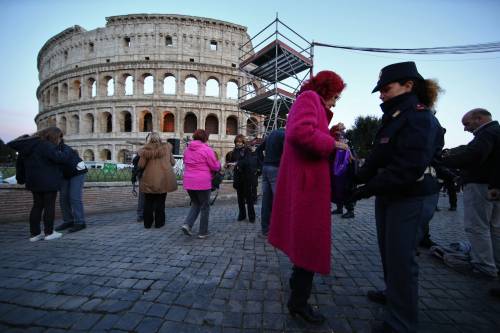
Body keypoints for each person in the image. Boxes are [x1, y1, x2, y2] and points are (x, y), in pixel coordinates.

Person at [352, 62, 443, 333]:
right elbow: (379, 156)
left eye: (385, 88)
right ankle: (394, 293)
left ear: (408, 85)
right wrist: (355, 179)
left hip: (412, 194)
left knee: (402, 259)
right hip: (392, 193)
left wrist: (365, 189)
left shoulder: (420, 117)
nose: (380, 95)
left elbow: (408, 166)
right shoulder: (395, 116)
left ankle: (401, 323)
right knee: (389, 252)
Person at [268, 70, 348, 324]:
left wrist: (330, 133)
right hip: (307, 186)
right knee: (310, 241)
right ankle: (298, 302)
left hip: (307, 183)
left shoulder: (310, 100)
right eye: (335, 96)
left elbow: (310, 131)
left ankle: (297, 286)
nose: (335, 102)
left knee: (306, 240)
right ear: (326, 90)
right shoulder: (310, 98)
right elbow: (300, 133)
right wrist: (332, 144)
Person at [441, 108, 500, 278]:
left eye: (467, 124)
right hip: (493, 185)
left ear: (479, 119)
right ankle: (495, 262)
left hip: (480, 184)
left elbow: (474, 155)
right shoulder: (496, 132)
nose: (465, 129)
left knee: (477, 226)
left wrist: (445, 160)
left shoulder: (486, 134)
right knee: (495, 228)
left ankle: (484, 266)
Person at [8, 127, 72, 241]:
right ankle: (49, 233)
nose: (59, 140)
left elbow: (20, 165)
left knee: (37, 206)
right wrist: (66, 150)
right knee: (49, 206)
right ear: (52, 135)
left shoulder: (28, 146)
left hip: (33, 181)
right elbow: (60, 158)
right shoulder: (45, 145)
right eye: (58, 137)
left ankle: (35, 234)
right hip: (48, 180)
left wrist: (20, 178)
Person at [181, 129, 221, 238]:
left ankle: (187, 224)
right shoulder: (207, 150)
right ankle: (203, 232)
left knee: (195, 203)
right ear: (205, 138)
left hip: (189, 181)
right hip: (202, 182)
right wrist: (219, 163)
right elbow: (215, 166)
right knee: (205, 206)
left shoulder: (187, 150)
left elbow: (185, 162)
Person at [137, 132, 177, 229]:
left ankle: (147, 224)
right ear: (159, 139)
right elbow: (173, 162)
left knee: (148, 202)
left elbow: (141, 165)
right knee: (160, 202)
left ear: (149, 139)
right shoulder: (167, 148)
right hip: (164, 179)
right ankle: (159, 223)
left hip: (149, 179)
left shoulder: (145, 150)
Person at [256, 127, 285, 237]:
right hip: (276, 169)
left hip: (266, 168)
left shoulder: (271, 135)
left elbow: (258, 150)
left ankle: (265, 229)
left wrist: (262, 162)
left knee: (266, 200)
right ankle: (278, 229)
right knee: (278, 200)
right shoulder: (284, 135)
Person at [54, 141, 88, 233]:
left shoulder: (64, 148)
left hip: (77, 171)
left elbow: (61, 159)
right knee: (63, 198)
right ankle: (68, 221)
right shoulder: (49, 147)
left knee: (74, 197)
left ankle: (80, 222)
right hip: (65, 173)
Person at [226, 134, 258, 222]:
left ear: (243, 142)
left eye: (240, 142)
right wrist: (228, 165)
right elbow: (232, 161)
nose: (238, 144)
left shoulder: (247, 150)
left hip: (247, 177)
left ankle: (252, 216)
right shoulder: (234, 151)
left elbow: (247, 161)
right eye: (237, 142)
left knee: (249, 198)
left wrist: (237, 164)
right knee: (240, 198)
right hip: (238, 177)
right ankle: (242, 215)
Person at [330, 124, 357, 219]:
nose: (338, 136)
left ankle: (350, 210)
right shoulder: (336, 144)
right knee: (337, 188)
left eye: (340, 133)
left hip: (346, 173)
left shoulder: (347, 147)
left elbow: (351, 161)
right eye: (337, 133)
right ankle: (339, 208)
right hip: (337, 172)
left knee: (346, 189)